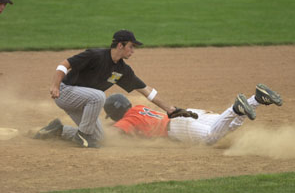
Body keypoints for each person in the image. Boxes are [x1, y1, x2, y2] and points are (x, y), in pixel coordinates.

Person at [34, 30, 195, 148]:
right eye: (131, 46)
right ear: (120, 45)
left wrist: (170, 109)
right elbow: (64, 64)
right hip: (66, 92)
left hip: (83, 102)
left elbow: (145, 90)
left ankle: (58, 130)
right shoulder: (95, 55)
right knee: (98, 96)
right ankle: (82, 136)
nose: (133, 51)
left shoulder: (123, 70)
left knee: (99, 137)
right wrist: (55, 85)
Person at [103, 84, 282, 145]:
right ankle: (256, 99)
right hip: (186, 114)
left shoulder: (128, 120)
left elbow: (114, 133)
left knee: (210, 138)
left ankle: (236, 108)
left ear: (116, 114)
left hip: (178, 127)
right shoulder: (137, 109)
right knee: (228, 127)